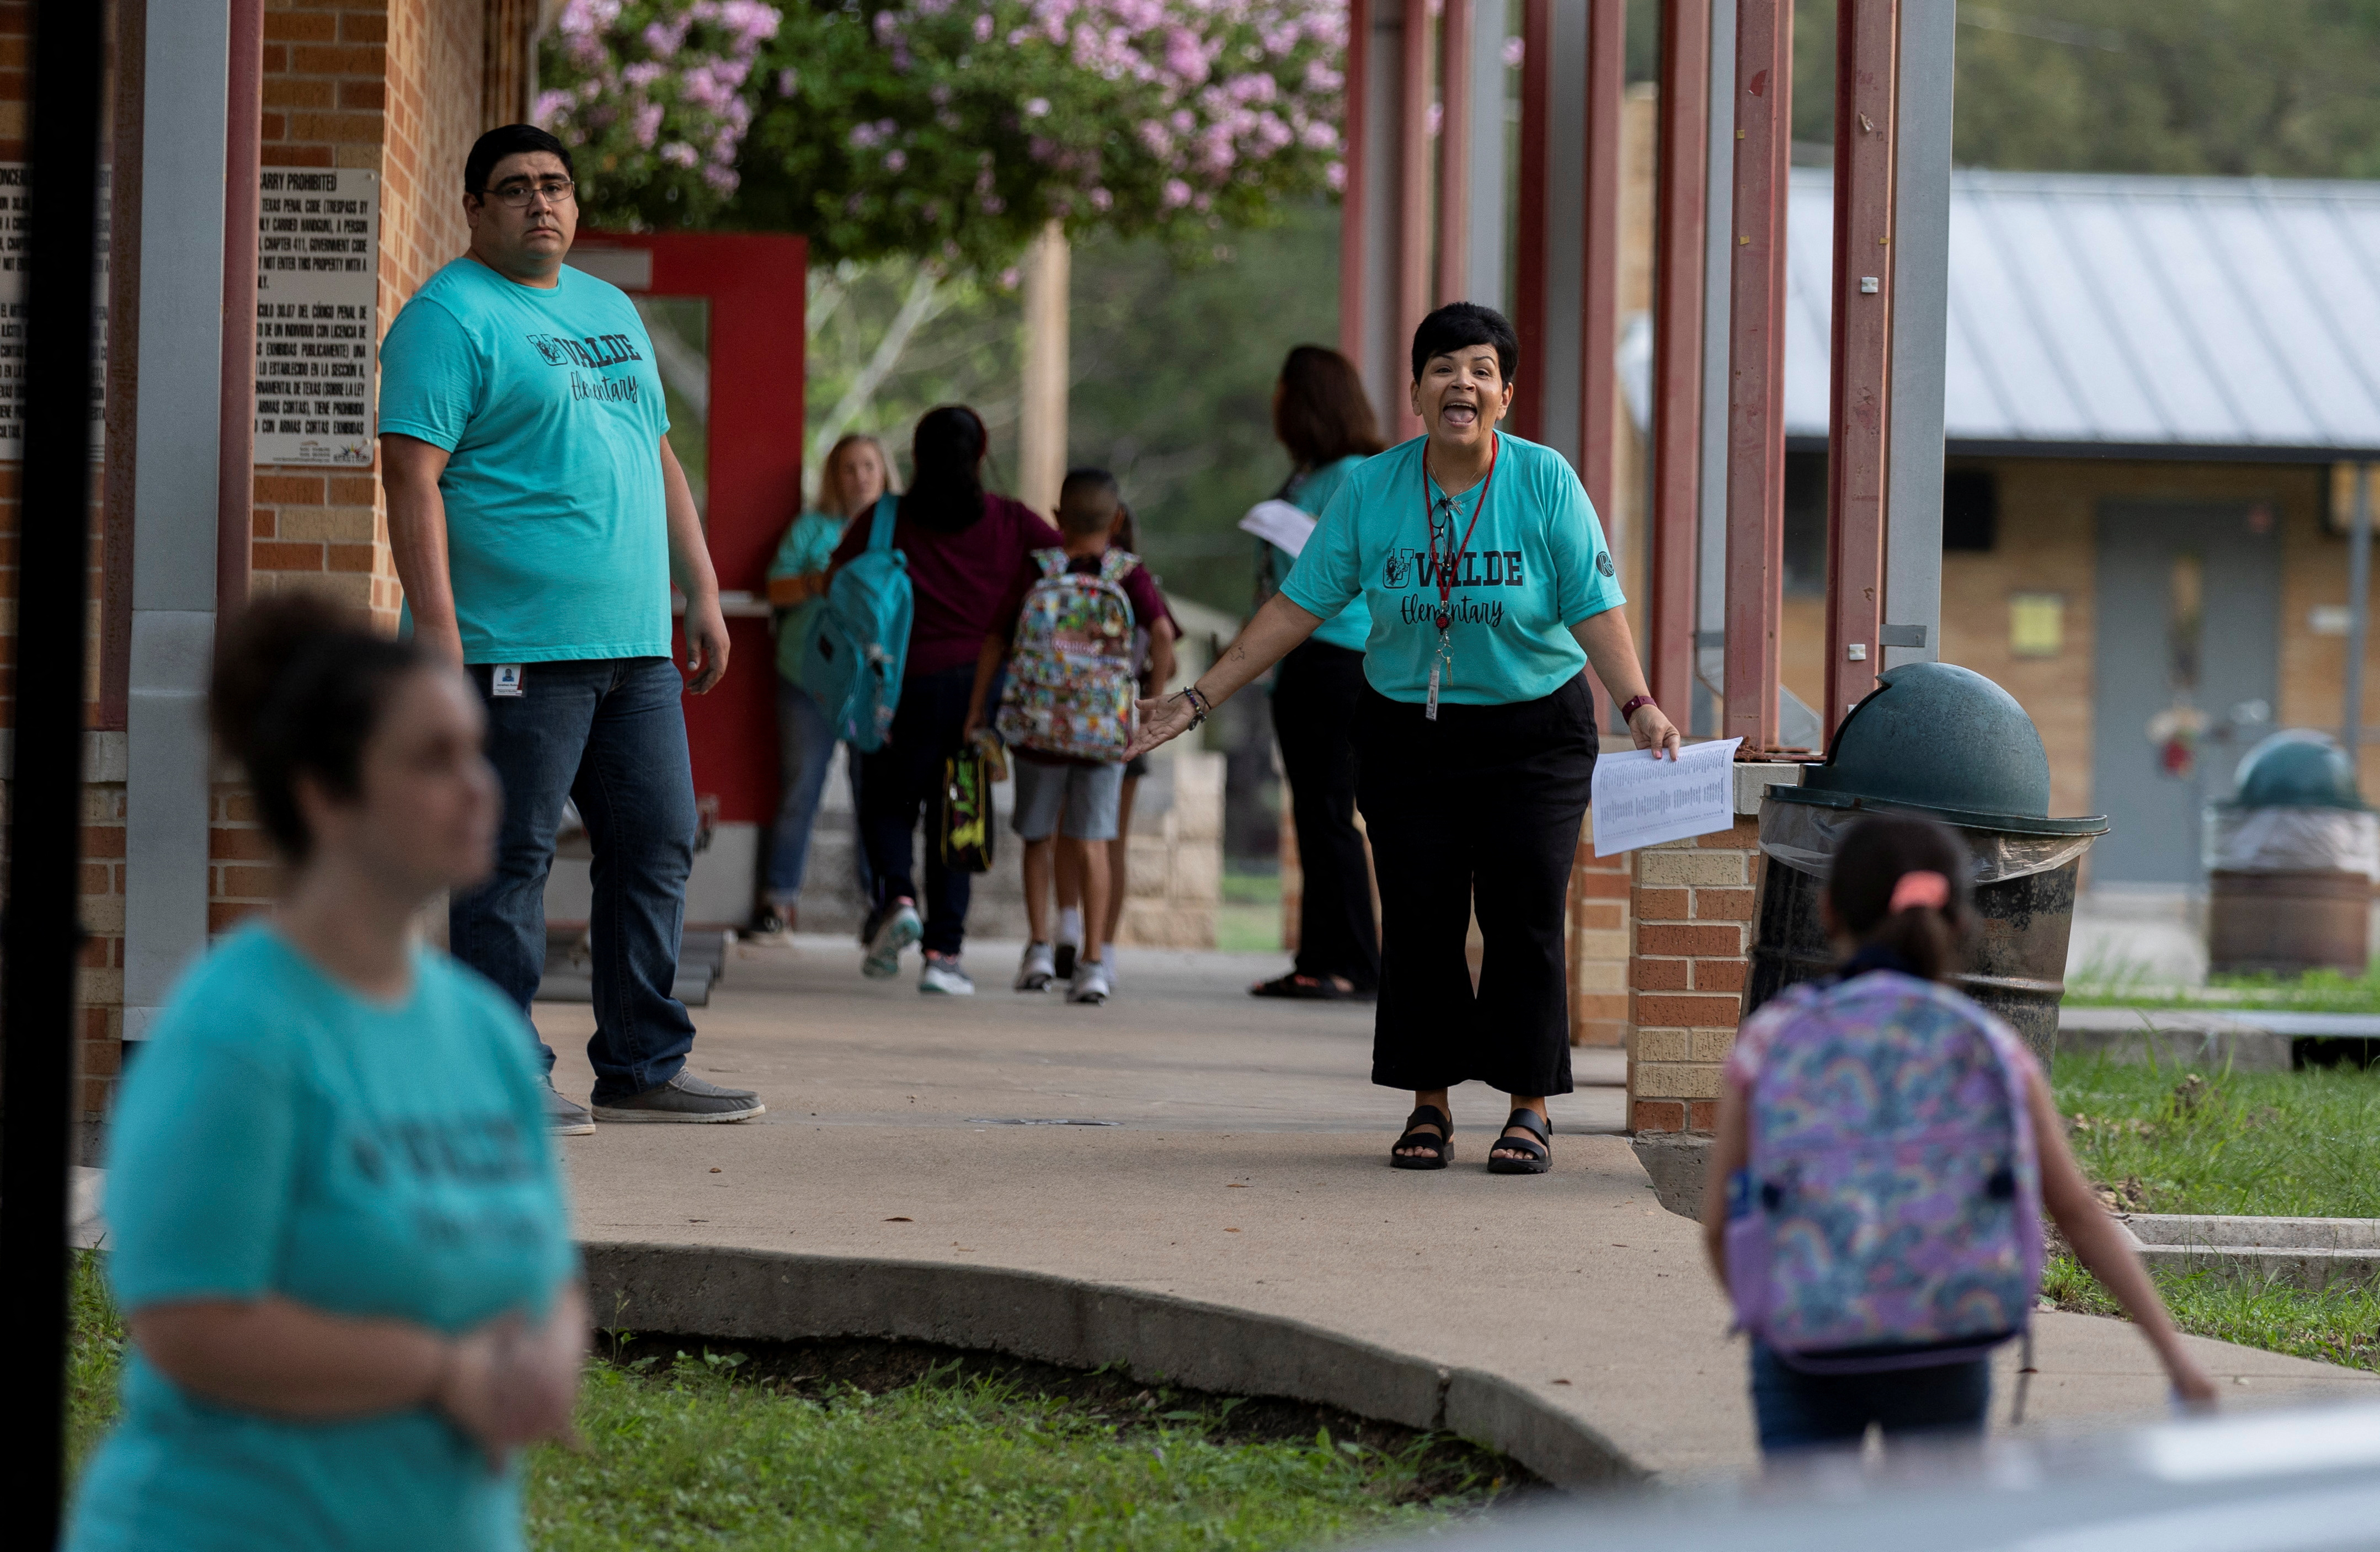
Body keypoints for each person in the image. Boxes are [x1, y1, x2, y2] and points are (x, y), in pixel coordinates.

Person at [66, 597, 585, 1552]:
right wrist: (440, 1371)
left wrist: (550, 1350)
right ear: (325, 794)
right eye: (433, 758)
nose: (480, 785)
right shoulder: (235, 1030)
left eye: (475, 749)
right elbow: (189, 1320)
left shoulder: (484, 1031)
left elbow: (546, 1268)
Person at [1130, 302, 1682, 1174]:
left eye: (1477, 368)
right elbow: (1295, 606)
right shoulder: (1372, 489)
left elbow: (1592, 607)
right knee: (1421, 920)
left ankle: (1527, 1108)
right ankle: (1429, 1106)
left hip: (1532, 732)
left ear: (1504, 392)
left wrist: (1639, 703)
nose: (1459, 382)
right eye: (1441, 368)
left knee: (1522, 912)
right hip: (1405, 733)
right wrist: (1194, 699)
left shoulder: (1543, 482)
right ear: (1416, 392)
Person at [380, 123, 761, 1132]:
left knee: (657, 838)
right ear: (475, 208)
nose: (539, 202)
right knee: (507, 858)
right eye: (514, 188)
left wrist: (703, 588)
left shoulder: (609, 308)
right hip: (514, 647)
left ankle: (641, 1063)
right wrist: (439, 636)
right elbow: (409, 478)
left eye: (554, 185)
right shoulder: (448, 318)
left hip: (632, 646)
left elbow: (658, 454)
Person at [1700, 813, 2218, 1459]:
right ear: (1962, 924)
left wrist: (1772, 1312)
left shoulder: (1771, 1041)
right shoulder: (1994, 1049)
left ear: (1829, 911)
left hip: (1804, 1340)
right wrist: (2177, 1360)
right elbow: (2080, 1212)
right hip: (1946, 1337)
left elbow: (1720, 1224)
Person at [831, 404, 1065, 994]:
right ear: (981, 455)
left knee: (886, 803)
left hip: (898, 689)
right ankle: (944, 955)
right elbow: (1066, 567)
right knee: (959, 817)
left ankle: (898, 897)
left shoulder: (884, 520)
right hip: (978, 698)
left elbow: (839, 581)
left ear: (915, 456)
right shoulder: (1013, 523)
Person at [969, 468, 1177, 1005]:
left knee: (1038, 836)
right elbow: (1161, 635)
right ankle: (1091, 963)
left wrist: (978, 712)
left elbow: (996, 639)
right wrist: (1149, 709)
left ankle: (1039, 947)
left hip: (1039, 729)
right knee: (1093, 841)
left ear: (1058, 518)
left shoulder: (1039, 568)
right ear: (1115, 520)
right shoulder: (1130, 575)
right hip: (1103, 734)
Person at [1251, 344, 1388, 1001]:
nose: (1275, 405)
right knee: (1310, 812)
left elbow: (1355, 563)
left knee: (1333, 811)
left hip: (1338, 657)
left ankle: (1355, 962)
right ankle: (1315, 957)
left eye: (1283, 392)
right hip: (1297, 661)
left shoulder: (1355, 472)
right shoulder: (1307, 474)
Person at [756, 432, 893, 938]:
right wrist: (820, 579)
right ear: (834, 475)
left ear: (884, 473)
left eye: (868, 466)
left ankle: (882, 908)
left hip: (873, 687)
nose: (859, 476)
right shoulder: (812, 529)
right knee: (800, 791)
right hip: (806, 679)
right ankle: (778, 902)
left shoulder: (897, 531)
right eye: (849, 467)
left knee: (876, 799)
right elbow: (775, 588)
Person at [1050, 497, 1180, 984]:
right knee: (1109, 840)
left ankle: (1068, 926)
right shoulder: (1137, 580)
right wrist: (1153, 702)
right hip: (1119, 724)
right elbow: (1167, 643)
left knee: (1066, 830)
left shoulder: (1057, 571)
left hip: (1061, 719)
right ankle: (1100, 948)